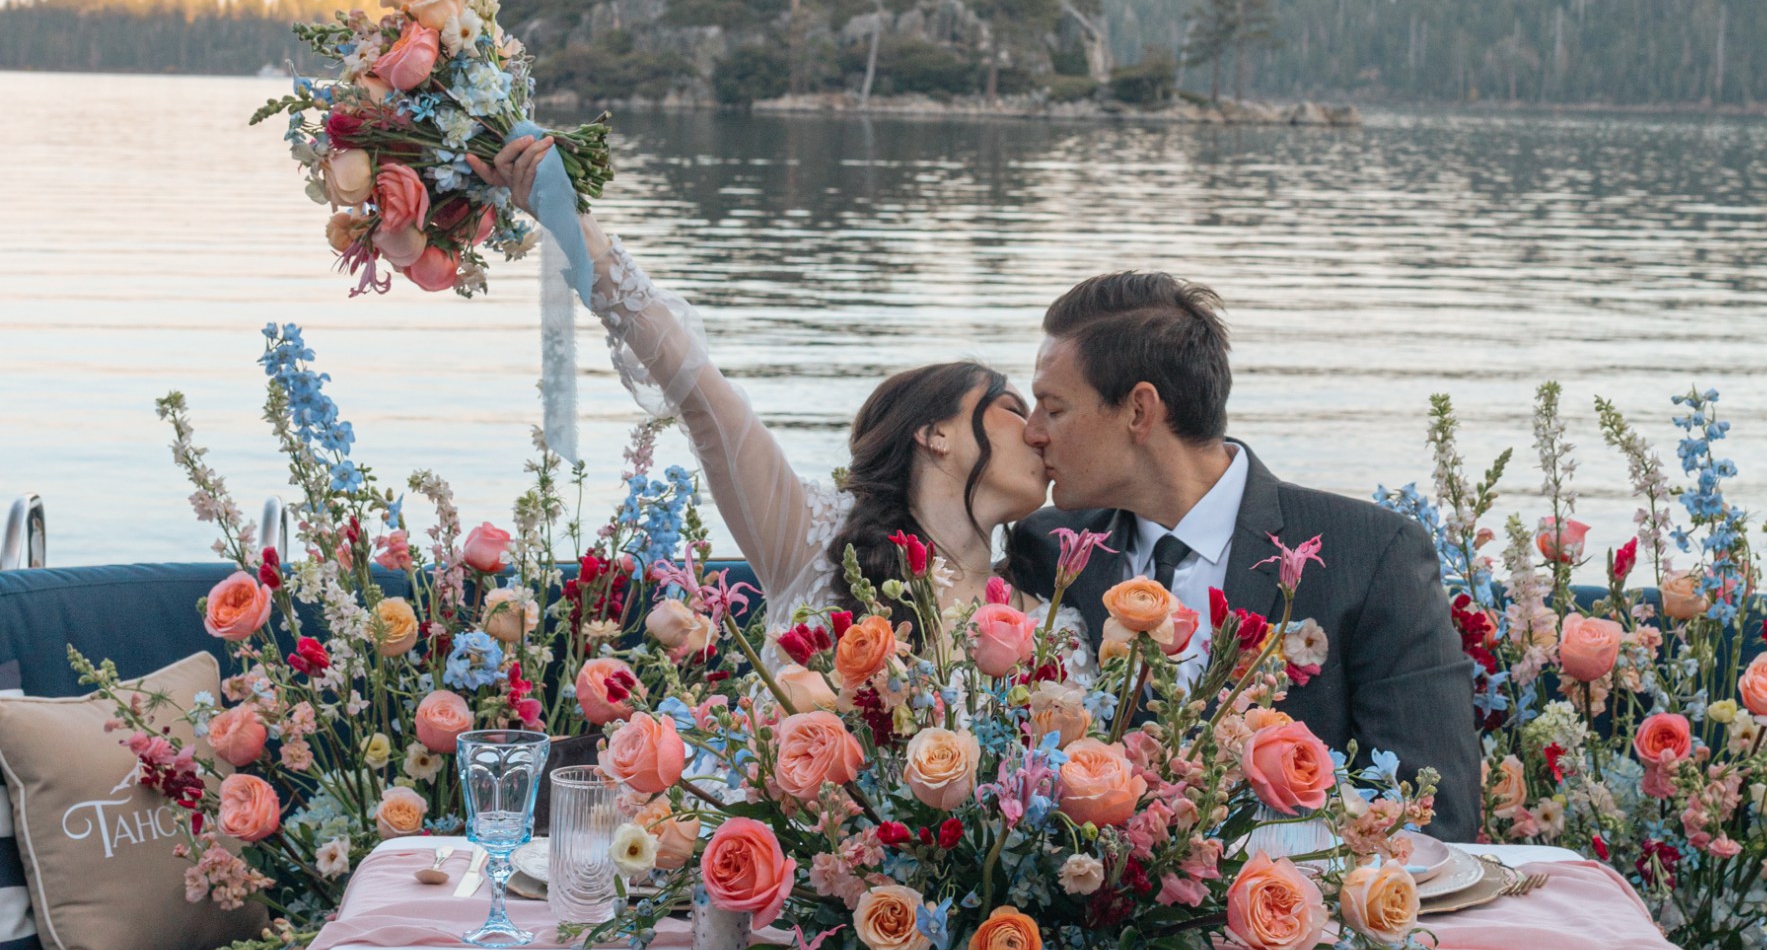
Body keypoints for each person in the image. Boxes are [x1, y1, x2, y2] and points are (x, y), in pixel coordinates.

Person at [475, 136, 1050, 643]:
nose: (1038, 432)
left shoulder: (1053, 629)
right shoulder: (814, 539)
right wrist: (574, 223)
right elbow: (705, 401)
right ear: (936, 432)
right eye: (1012, 408)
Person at [1006, 269, 1482, 839]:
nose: (1032, 433)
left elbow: (1438, 812)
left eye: (1053, 408)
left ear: (1139, 411)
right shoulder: (1050, 551)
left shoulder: (1372, 555)